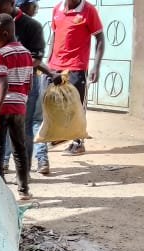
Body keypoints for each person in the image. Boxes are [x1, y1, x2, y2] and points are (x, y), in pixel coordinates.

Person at [0, 0, 58, 176]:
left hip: (24, 86)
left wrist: (11, 65)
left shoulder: (32, 26)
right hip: (3, 85)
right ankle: (3, 165)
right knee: (0, 127)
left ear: (12, 3)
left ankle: (24, 174)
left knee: (24, 129)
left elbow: (36, 59)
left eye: (0, 10)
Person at [0, 13, 34, 201]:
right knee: (19, 149)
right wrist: (20, 101)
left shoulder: (0, 54)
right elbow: (28, 84)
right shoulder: (27, 54)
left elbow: (4, 84)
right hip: (18, 108)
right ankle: (24, 190)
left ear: (5, 34)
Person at [49, 0, 105, 155]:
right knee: (55, 103)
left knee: (76, 106)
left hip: (77, 66)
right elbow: (54, 35)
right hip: (56, 66)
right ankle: (60, 135)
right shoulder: (57, 9)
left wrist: (96, 66)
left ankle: (78, 143)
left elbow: (100, 38)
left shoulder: (88, 10)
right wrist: (49, 60)